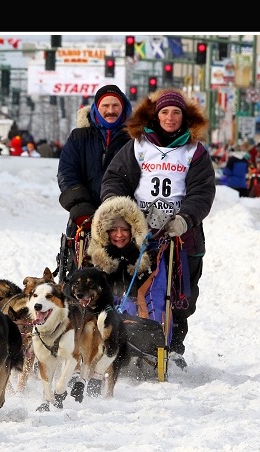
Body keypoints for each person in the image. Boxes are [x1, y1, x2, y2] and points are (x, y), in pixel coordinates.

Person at [101, 89, 216, 369]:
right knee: (132, 287)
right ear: (156, 115)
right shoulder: (138, 146)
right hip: (138, 231)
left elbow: (202, 192)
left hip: (181, 233)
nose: (170, 117)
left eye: (176, 112)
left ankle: (173, 347)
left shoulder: (195, 151)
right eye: (164, 112)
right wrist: (116, 208)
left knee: (181, 295)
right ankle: (127, 340)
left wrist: (185, 218)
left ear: (184, 117)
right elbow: (116, 179)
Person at [57, 84, 133, 236]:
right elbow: (67, 173)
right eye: (105, 105)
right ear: (96, 109)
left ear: (123, 108)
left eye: (115, 105)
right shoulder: (79, 137)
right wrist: (80, 206)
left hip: (123, 222)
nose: (110, 110)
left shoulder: (135, 139)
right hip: (84, 218)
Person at [87, 195, 152, 300]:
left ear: (133, 231)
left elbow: (151, 290)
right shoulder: (93, 260)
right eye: (113, 230)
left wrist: (136, 262)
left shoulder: (145, 257)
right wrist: (107, 265)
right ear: (105, 232)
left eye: (125, 229)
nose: (119, 234)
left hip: (139, 311)